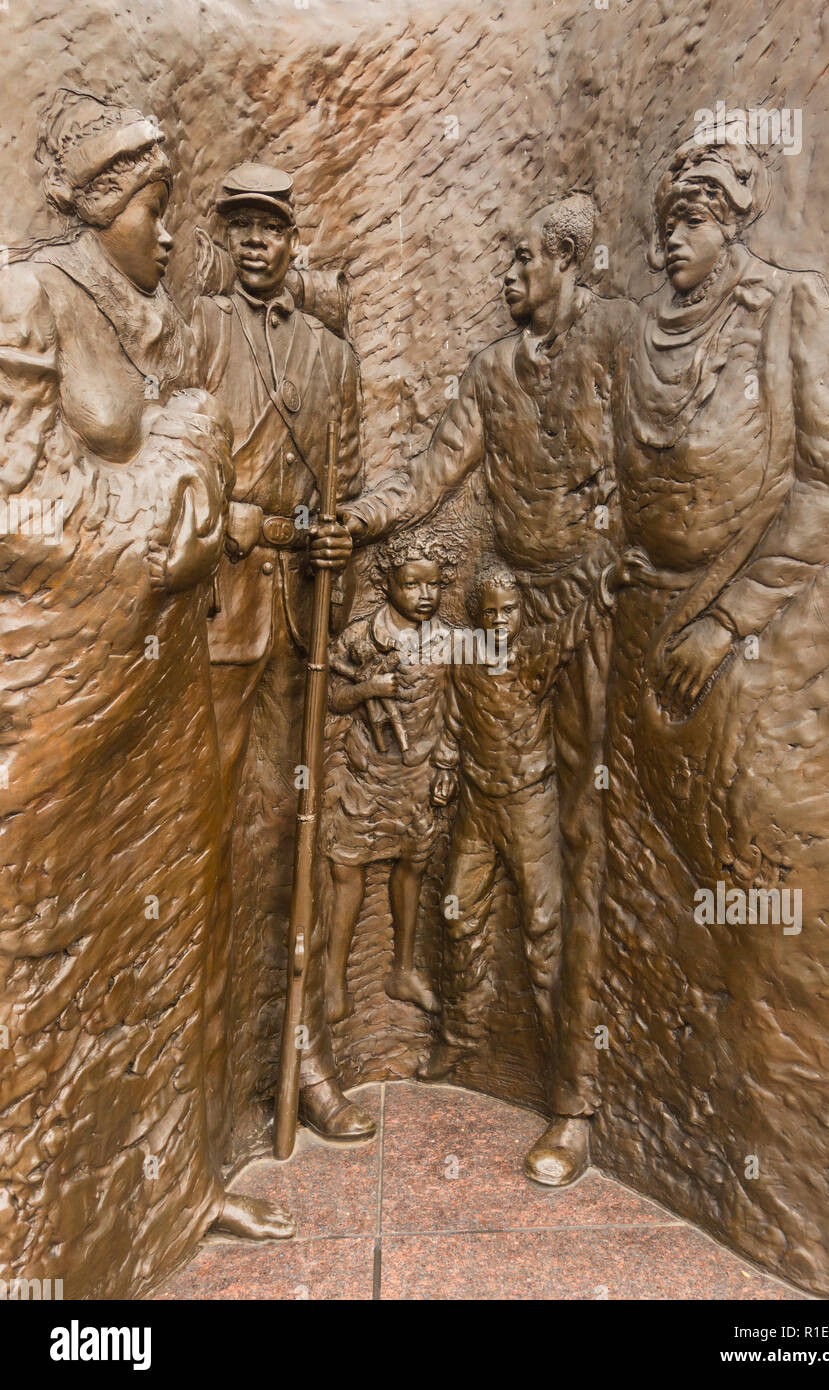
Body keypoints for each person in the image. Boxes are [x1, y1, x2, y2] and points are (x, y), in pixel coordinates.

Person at [601, 125, 829, 1281]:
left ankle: (777, 1135)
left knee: (750, 886)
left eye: (686, 222)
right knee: (658, 877)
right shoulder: (647, 328)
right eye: (660, 226)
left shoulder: (785, 311)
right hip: (642, 631)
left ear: (728, 220)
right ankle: (665, 1096)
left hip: (737, 640)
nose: (668, 244)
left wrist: (726, 619)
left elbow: (828, 483)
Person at [0, 91, 290, 1299]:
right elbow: (20, 508)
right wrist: (179, 473)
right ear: (101, 201)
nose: (169, 233)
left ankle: (178, 1184)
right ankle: (51, 1247)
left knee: (183, 928)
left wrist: (191, 473)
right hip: (72, 701)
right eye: (155, 207)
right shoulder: (28, 300)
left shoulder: (154, 317)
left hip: (167, 682)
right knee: (59, 961)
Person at [341, 193, 636, 1185]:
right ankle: (475, 1044)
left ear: (567, 262)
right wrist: (361, 518)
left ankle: (574, 1102)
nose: (507, 276)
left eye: (522, 259)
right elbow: (430, 473)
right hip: (515, 609)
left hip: (590, 613)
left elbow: (664, 454)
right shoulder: (490, 372)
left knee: (577, 855)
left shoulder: (615, 340)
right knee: (494, 860)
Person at [192, 162, 376, 1145]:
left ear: (293, 238)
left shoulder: (331, 358)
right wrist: (222, 513)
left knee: (297, 837)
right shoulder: (197, 331)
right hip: (223, 613)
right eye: (242, 226)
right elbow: (166, 461)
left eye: (270, 225)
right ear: (226, 236)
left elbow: (345, 486)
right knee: (220, 839)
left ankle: (303, 1057)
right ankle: (209, 1077)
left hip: (301, 622)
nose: (256, 240)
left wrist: (331, 545)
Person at [425, 559, 612, 1105]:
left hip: (530, 806)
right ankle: (460, 1036)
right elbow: (457, 717)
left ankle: (561, 1063)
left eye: (508, 610)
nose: (500, 621)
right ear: (476, 617)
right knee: (456, 911)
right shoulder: (466, 661)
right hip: (477, 806)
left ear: (521, 612)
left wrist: (602, 592)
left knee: (542, 928)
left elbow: (571, 630)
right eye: (489, 613)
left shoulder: (532, 654)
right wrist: (445, 764)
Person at [321, 534, 457, 1023]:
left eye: (433, 585)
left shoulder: (450, 643)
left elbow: (458, 708)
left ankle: (403, 970)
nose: (424, 595)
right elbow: (332, 697)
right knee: (346, 869)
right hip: (366, 774)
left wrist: (446, 764)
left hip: (418, 774)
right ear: (388, 585)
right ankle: (332, 982)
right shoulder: (360, 637)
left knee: (413, 865)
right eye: (412, 584)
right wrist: (368, 689)